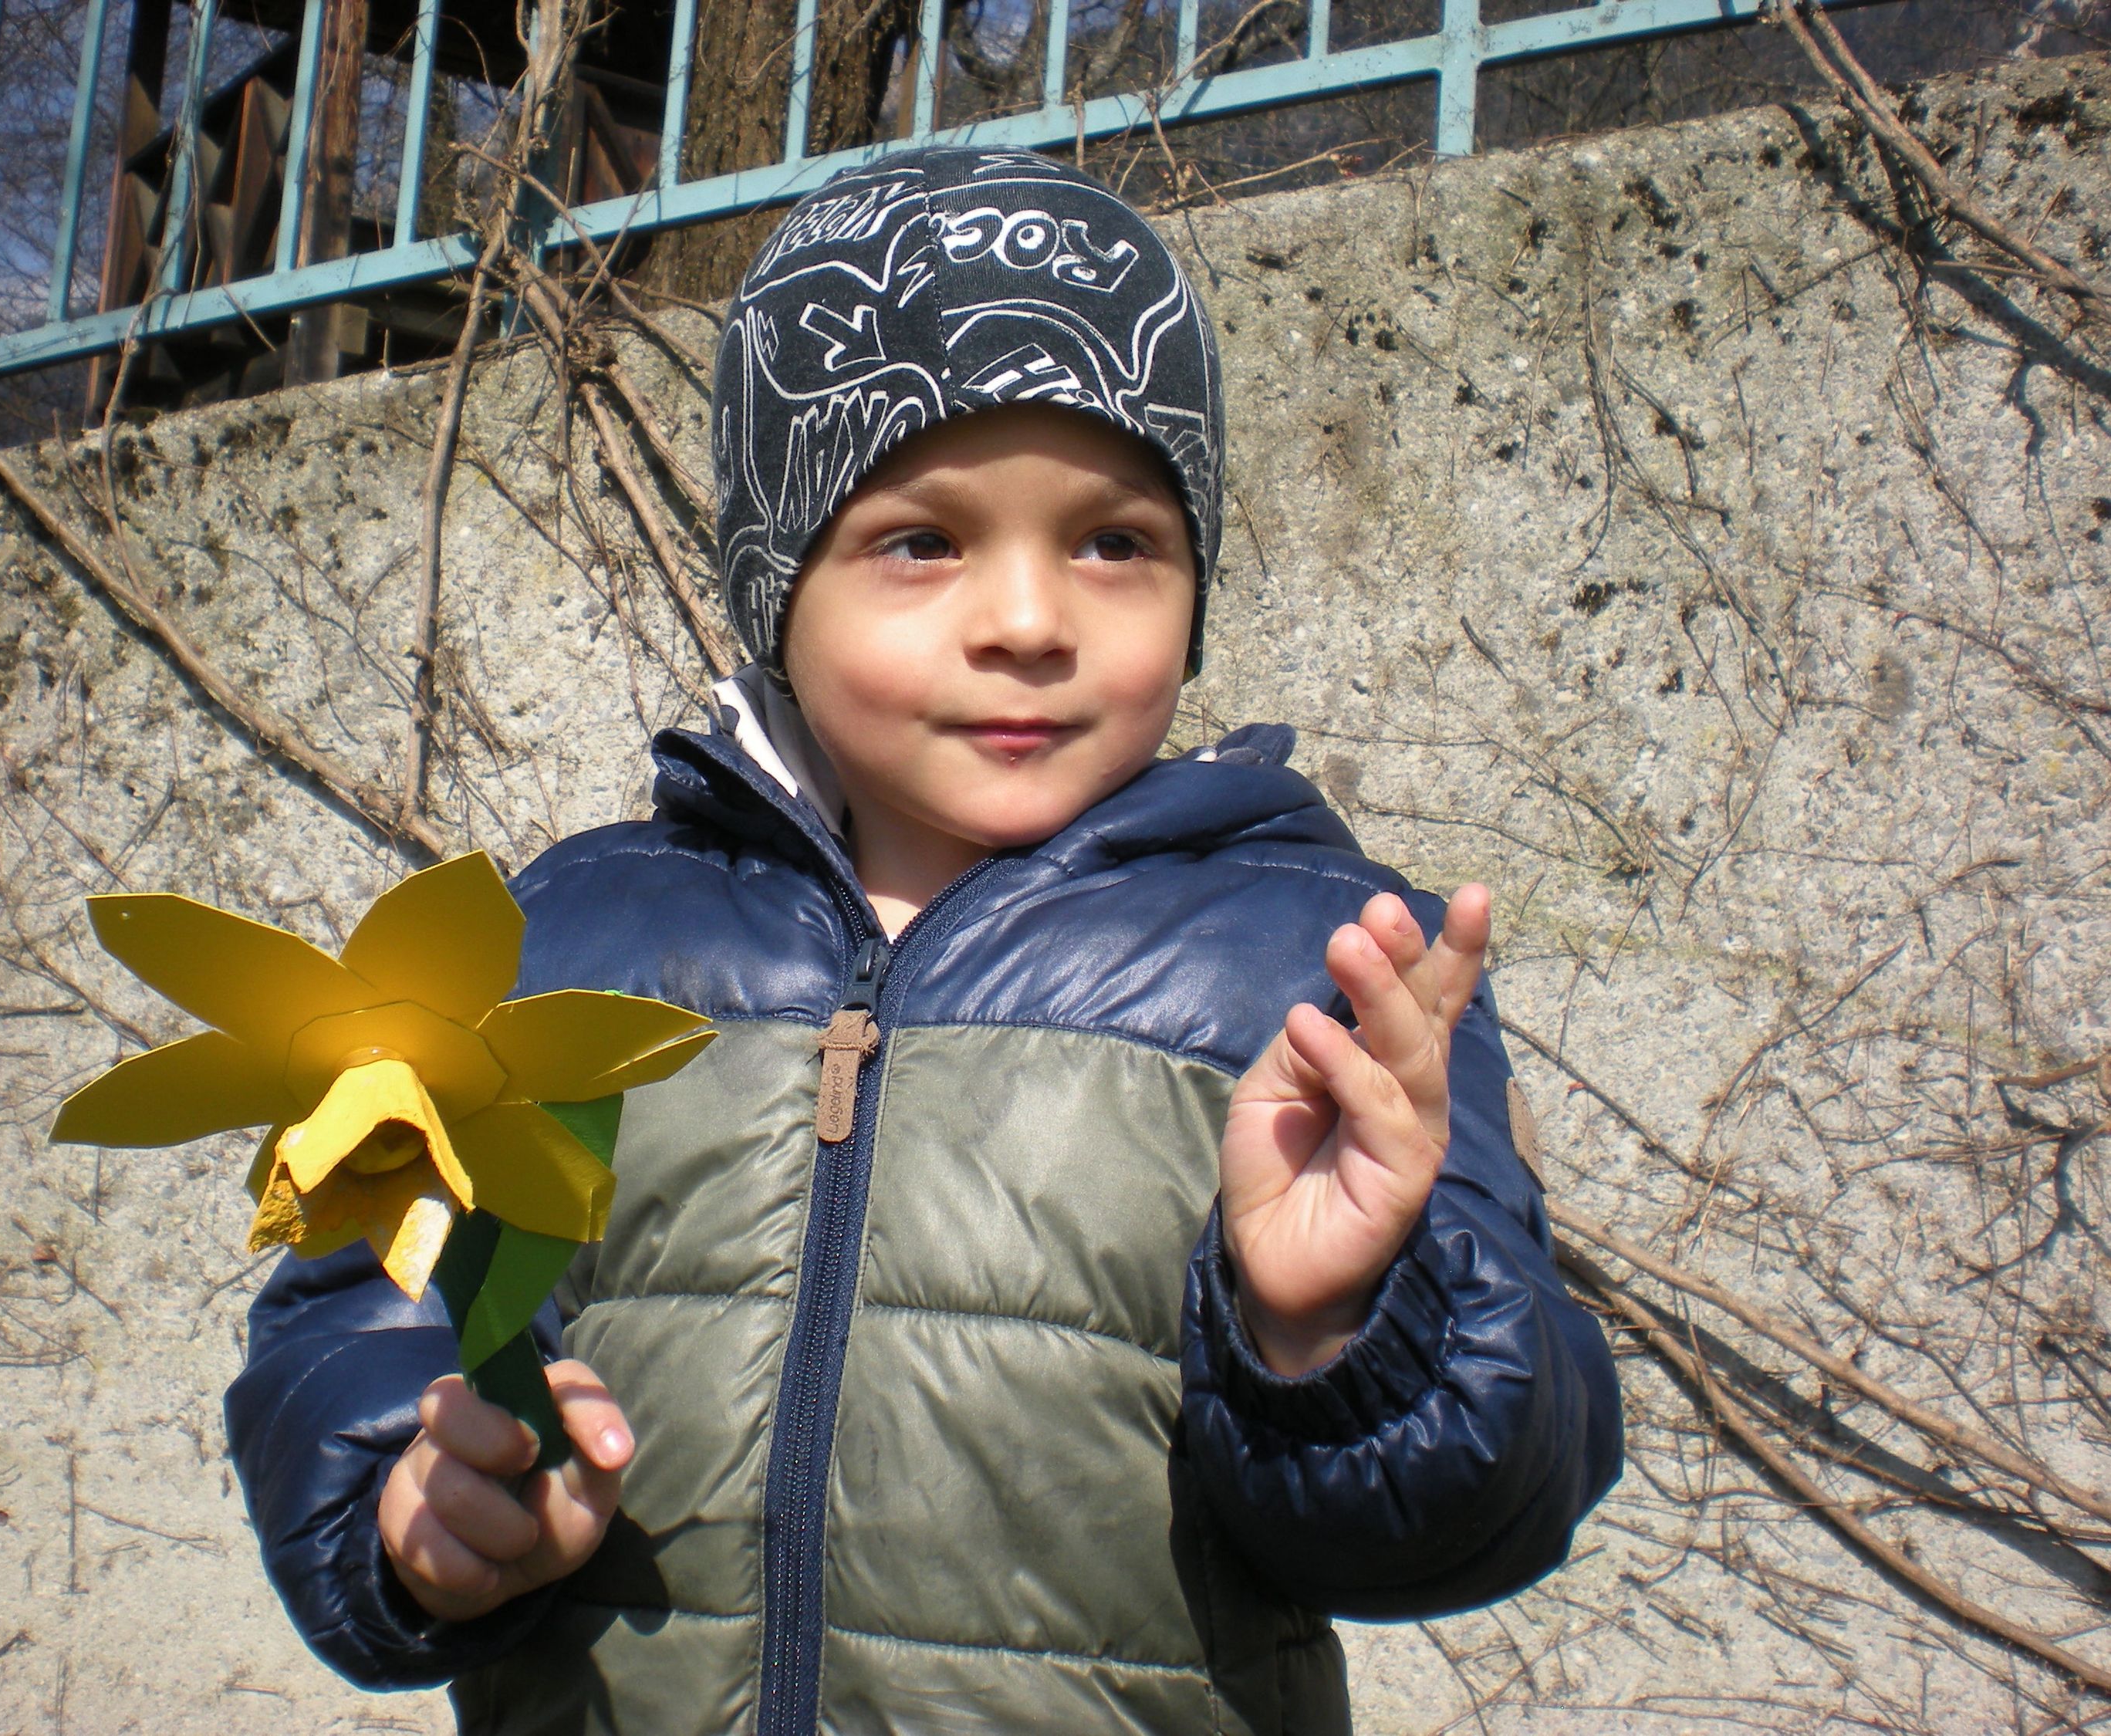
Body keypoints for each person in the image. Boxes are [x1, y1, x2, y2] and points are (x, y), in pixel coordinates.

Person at [225, 145, 1622, 1736]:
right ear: (778, 584)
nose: (1028, 621)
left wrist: (1323, 1332)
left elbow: (1497, 1492)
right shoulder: (569, 946)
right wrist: (419, 1505)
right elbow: (372, 1301)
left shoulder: (1325, 972)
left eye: (1115, 541)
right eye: (922, 541)